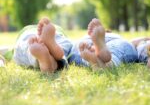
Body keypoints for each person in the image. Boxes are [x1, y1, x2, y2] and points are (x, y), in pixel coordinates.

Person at [13, 17, 150, 73]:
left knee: (78, 52)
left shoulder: (84, 39)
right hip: (116, 43)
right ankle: (103, 62)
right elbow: (136, 42)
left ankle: (48, 62)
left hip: (80, 44)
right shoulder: (117, 36)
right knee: (119, 51)